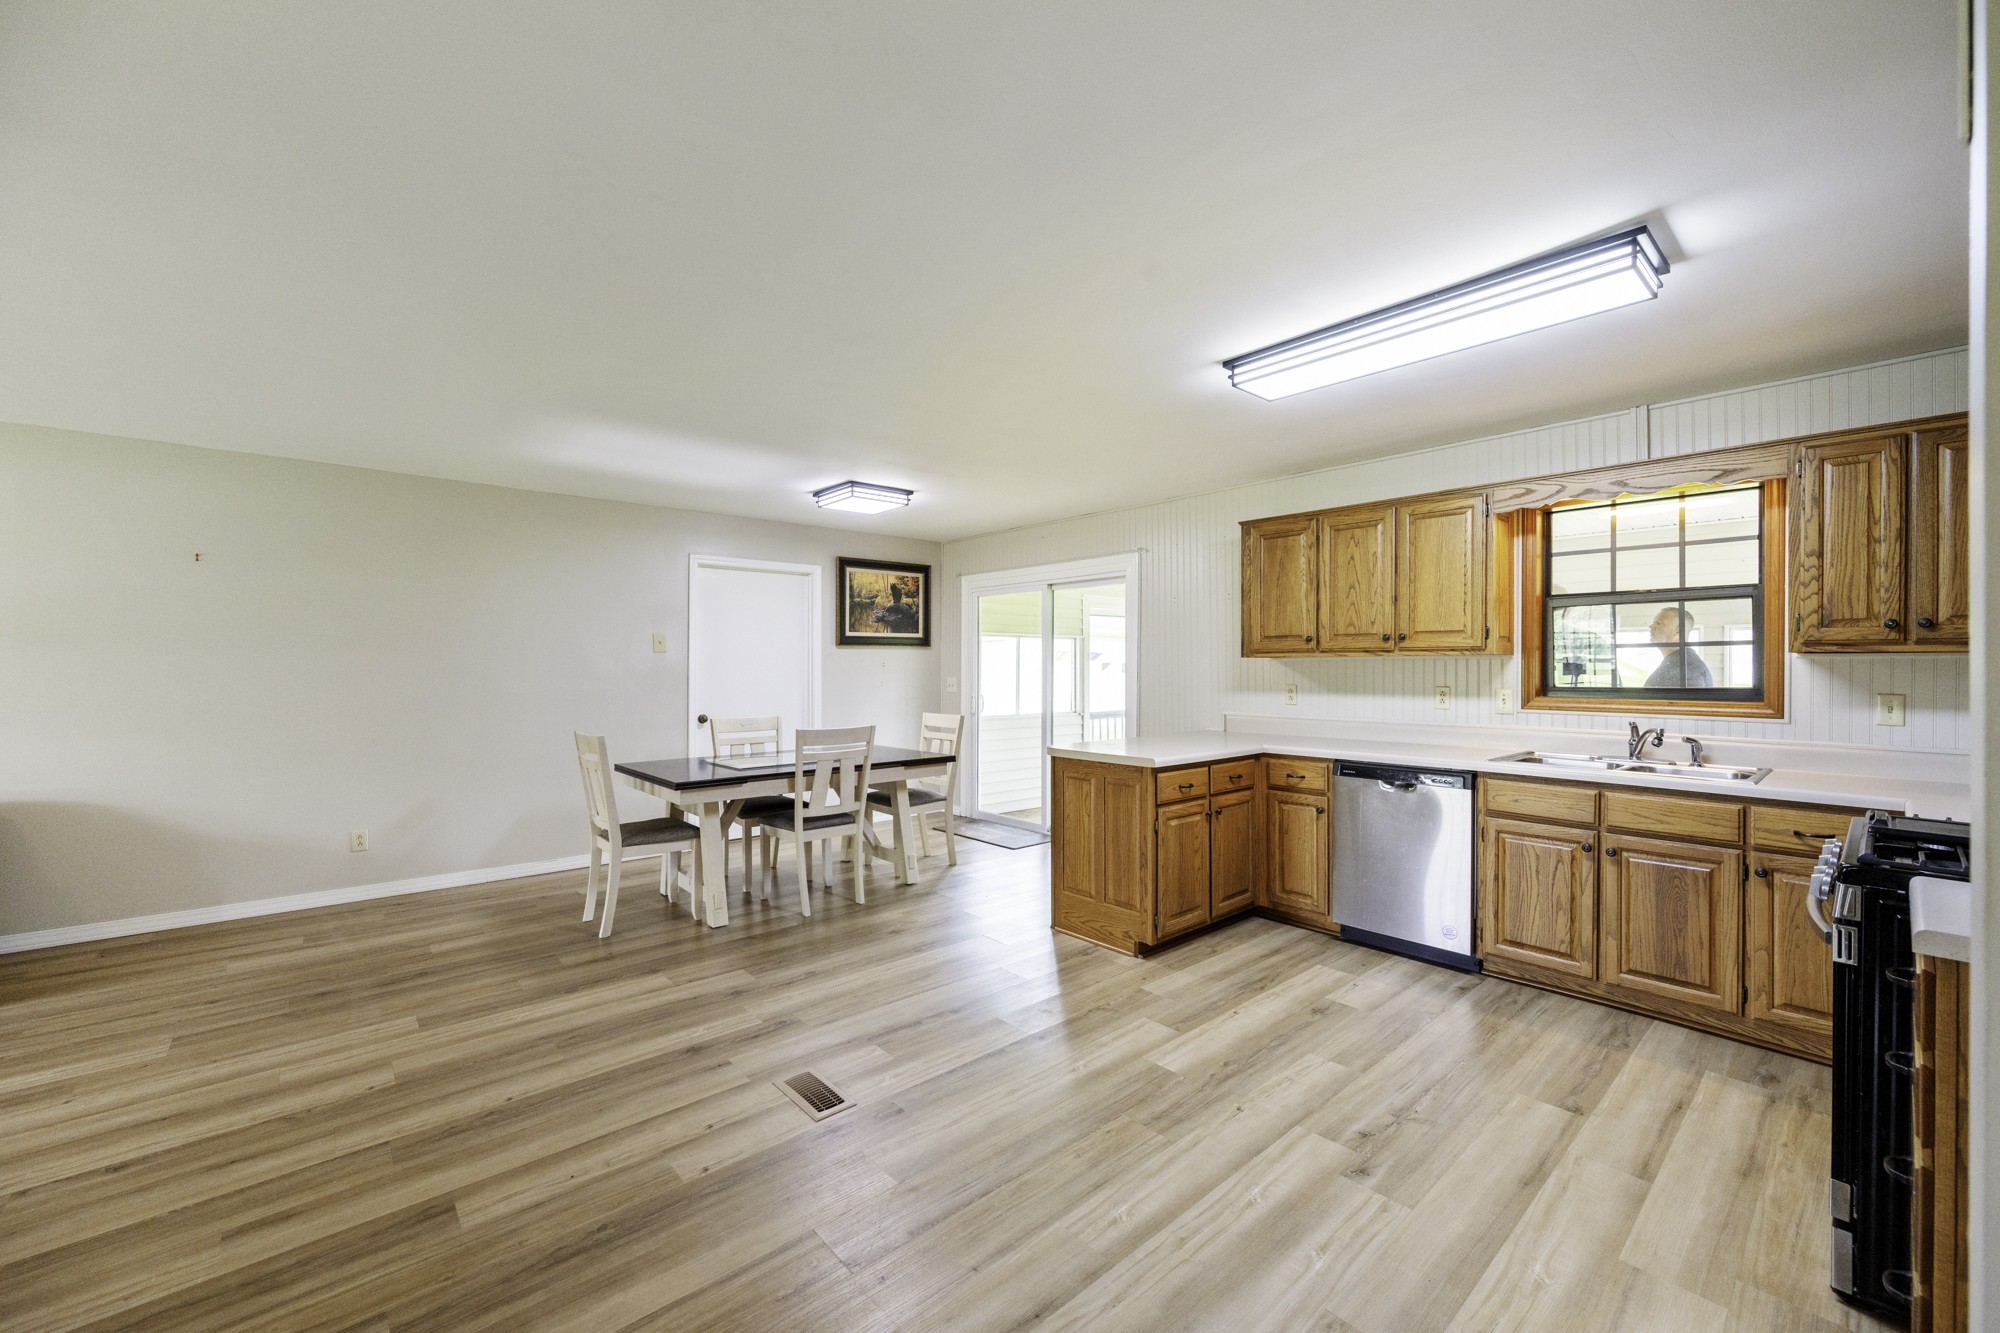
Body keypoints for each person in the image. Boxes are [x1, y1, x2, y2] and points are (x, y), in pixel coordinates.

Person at [1643, 606, 1713, 688]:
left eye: (1658, 623)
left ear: (1678, 632)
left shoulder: (1687, 669)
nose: (1651, 626)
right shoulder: (1681, 662)